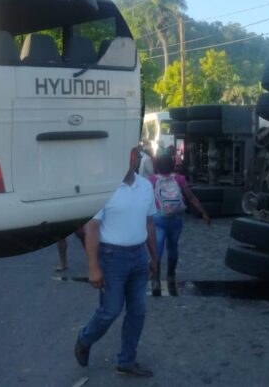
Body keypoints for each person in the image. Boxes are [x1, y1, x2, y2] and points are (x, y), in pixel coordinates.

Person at [74, 147, 159, 378]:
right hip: (112, 258)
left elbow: (149, 223)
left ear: (136, 158)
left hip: (139, 256)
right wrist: (93, 266)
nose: (128, 160)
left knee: (138, 311)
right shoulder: (103, 188)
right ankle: (85, 338)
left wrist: (154, 257)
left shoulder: (146, 186)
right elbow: (91, 228)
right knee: (110, 310)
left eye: (132, 155)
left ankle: (126, 360)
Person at [148, 153, 211, 291]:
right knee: (173, 247)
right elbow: (190, 197)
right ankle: (171, 275)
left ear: (157, 165)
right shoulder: (179, 179)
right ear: (171, 164)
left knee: (157, 250)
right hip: (176, 219)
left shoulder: (151, 180)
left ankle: (156, 281)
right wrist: (203, 213)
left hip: (158, 218)